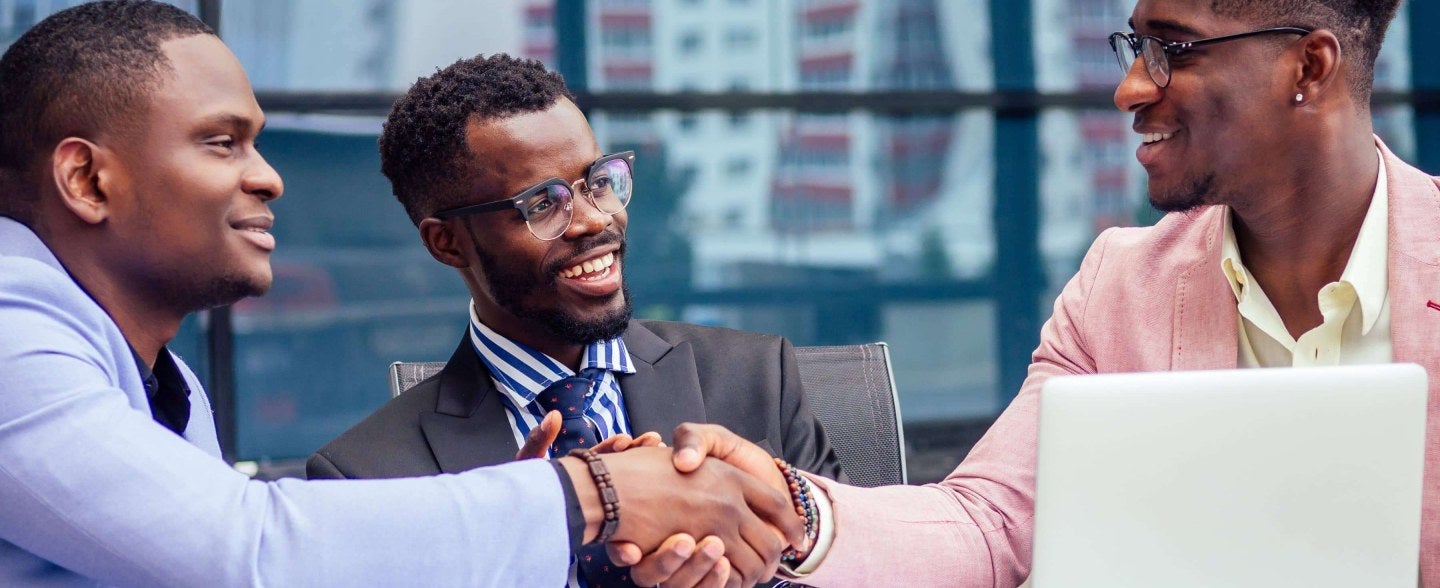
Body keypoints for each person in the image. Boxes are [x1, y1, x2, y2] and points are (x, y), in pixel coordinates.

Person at [629, 0, 1440, 586]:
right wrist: (788, 505)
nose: (1130, 88)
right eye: (1136, 46)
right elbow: (992, 524)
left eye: (1174, 50)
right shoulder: (1122, 283)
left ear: (1311, 66)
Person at [0, 2, 803, 586]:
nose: (268, 176)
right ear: (86, 178)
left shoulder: (165, 387)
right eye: (222, 142)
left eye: (598, 181)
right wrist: (587, 496)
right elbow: (245, 551)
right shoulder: (10, 329)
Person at [305, 53, 845, 587]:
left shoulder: (756, 377)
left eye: (598, 181)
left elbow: (853, 568)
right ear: (447, 243)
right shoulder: (366, 477)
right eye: (542, 204)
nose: (596, 218)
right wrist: (524, 535)